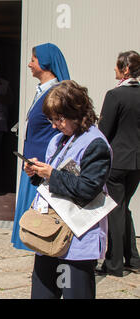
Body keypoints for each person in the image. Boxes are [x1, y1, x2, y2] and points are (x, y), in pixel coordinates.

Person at [25, 80, 111, 299]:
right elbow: (54, 182)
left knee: (75, 294)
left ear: (77, 112)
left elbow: (88, 189)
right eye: (51, 119)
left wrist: (51, 174)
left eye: (59, 119)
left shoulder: (95, 143)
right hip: (49, 233)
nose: (54, 125)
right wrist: (37, 174)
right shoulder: (58, 140)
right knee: (43, 294)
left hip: (77, 239)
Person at [11, 43, 70, 251]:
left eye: (33, 60)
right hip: (33, 165)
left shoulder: (56, 94)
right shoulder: (42, 91)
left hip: (42, 166)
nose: (29, 64)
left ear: (44, 64)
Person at [98, 51, 140, 277]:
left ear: (124, 69)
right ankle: (132, 257)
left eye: (116, 66)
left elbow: (104, 132)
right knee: (124, 207)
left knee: (114, 210)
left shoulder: (115, 95)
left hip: (117, 162)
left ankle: (113, 264)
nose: (113, 69)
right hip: (137, 162)